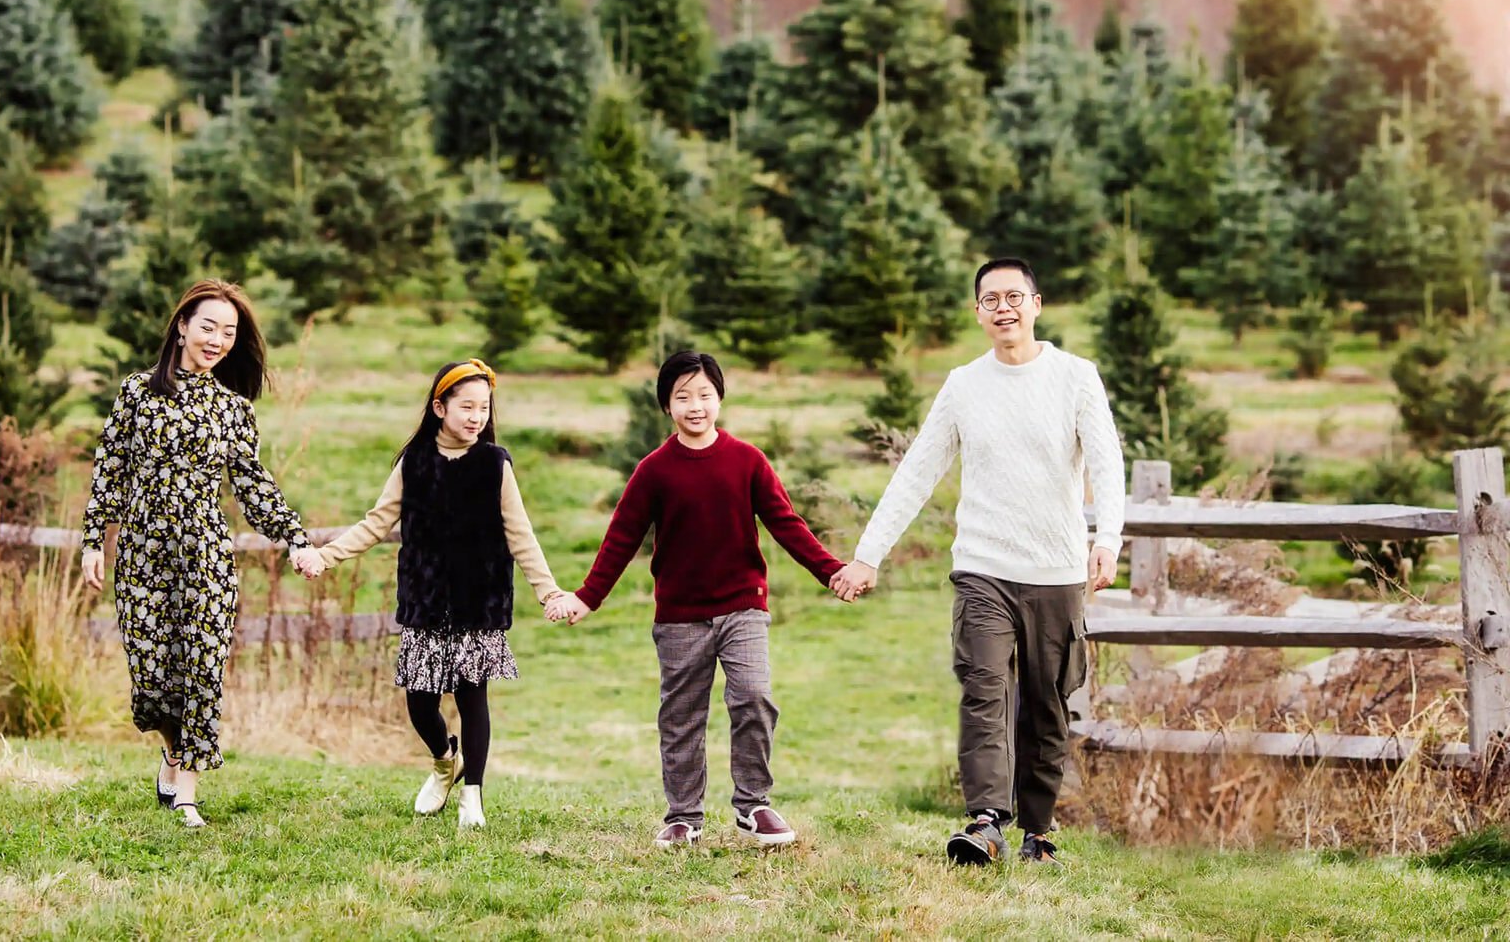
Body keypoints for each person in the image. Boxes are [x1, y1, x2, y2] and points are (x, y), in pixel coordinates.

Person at [833, 257, 1124, 866]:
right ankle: (986, 821)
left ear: (1037, 304)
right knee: (983, 689)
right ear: (978, 313)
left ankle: (1038, 832)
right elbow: (917, 471)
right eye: (990, 300)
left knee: (1047, 703)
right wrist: (868, 555)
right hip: (983, 566)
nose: (1003, 308)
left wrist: (1107, 539)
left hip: (1055, 570)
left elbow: (1105, 462)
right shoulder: (965, 384)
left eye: (1014, 296)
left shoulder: (1075, 377)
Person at [550, 350, 845, 849]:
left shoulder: (747, 460)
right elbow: (621, 539)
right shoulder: (654, 470)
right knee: (682, 714)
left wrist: (831, 571)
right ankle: (684, 815)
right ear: (667, 405)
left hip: (743, 605)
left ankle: (753, 806)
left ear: (719, 399)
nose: (695, 406)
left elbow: (786, 525)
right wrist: (586, 598)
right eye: (683, 396)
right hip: (681, 616)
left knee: (753, 696)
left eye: (704, 395)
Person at [292, 359, 566, 830]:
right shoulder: (413, 462)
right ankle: (445, 761)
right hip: (425, 599)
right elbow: (377, 523)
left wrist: (549, 592)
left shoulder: (494, 464)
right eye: (466, 407)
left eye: (483, 407)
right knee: (420, 701)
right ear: (440, 407)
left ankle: (473, 796)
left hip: (478, 601)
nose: (476, 416)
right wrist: (325, 555)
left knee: (471, 694)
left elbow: (521, 534)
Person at [81, 279, 317, 827]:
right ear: (182, 326)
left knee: (202, 671)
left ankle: (186, 790)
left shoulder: (233, 408)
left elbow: (254, 485)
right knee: (152, 677)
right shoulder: (137, 392)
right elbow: (110, 467)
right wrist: (95, 539)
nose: (217, 340)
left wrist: (295, 538)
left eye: (229, 333)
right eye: (208, 327)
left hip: (206, 555)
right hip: (143, 554)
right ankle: (171, 751)